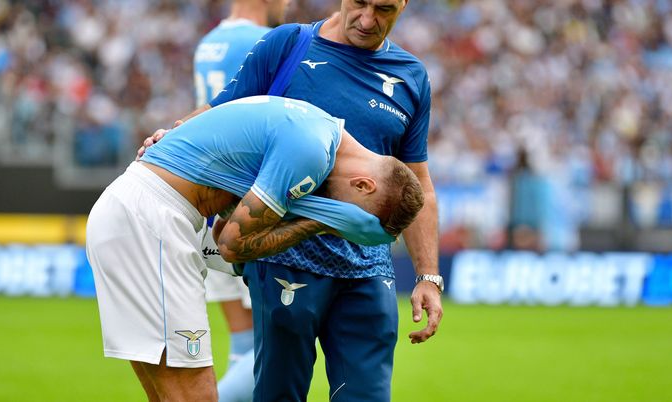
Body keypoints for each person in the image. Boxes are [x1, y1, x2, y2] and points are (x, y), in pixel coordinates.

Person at [138, 0, 444, 400]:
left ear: (404, 4)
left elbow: (419, 183)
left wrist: (428, 277)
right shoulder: (288, 44)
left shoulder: (411, 76)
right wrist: (172, 135)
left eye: (384, 8)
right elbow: (222, 113)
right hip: (284, 260)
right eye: (360, 3)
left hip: (367, 271)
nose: (368, 19)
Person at [86, 95, 424, 402]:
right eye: (355, 219)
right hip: (153, 221)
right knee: (197, 396)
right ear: (364, 185)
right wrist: (326, 221)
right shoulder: (311, 152)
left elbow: (221, 226)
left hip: (140, 214)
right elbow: (231, 245)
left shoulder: (316, 125)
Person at [193, 0, 289, 399]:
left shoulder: (209, 41)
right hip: (247, 209)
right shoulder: (265, 41)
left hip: (209, 202)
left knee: (244, 347)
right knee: (273, 358)